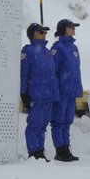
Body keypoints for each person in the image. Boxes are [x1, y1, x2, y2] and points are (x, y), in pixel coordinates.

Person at [19, 22, 58, 161]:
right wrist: (23, 93)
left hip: (48, 95)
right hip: (35, 94)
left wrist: (55, 93)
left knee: (43, 125)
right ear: (33, 34)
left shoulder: (47, 52)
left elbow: (52, 75)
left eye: (45, 32)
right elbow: (24, 73)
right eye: (41, 32)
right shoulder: (28, 51)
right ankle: (33, 151)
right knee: (34, 124)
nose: (44, 34)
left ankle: (40, 151)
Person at [50, 19, 83, 162]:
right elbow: (53, 70)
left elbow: (76, 70)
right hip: (61, 91)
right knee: (59, 120)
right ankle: (60, 149)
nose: (73, 29)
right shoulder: (58, 47)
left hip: (71, 90)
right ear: (64, 29)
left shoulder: (74, 47)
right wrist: (55, 89)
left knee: (67, 121)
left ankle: (66, 147)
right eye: (71, 27)